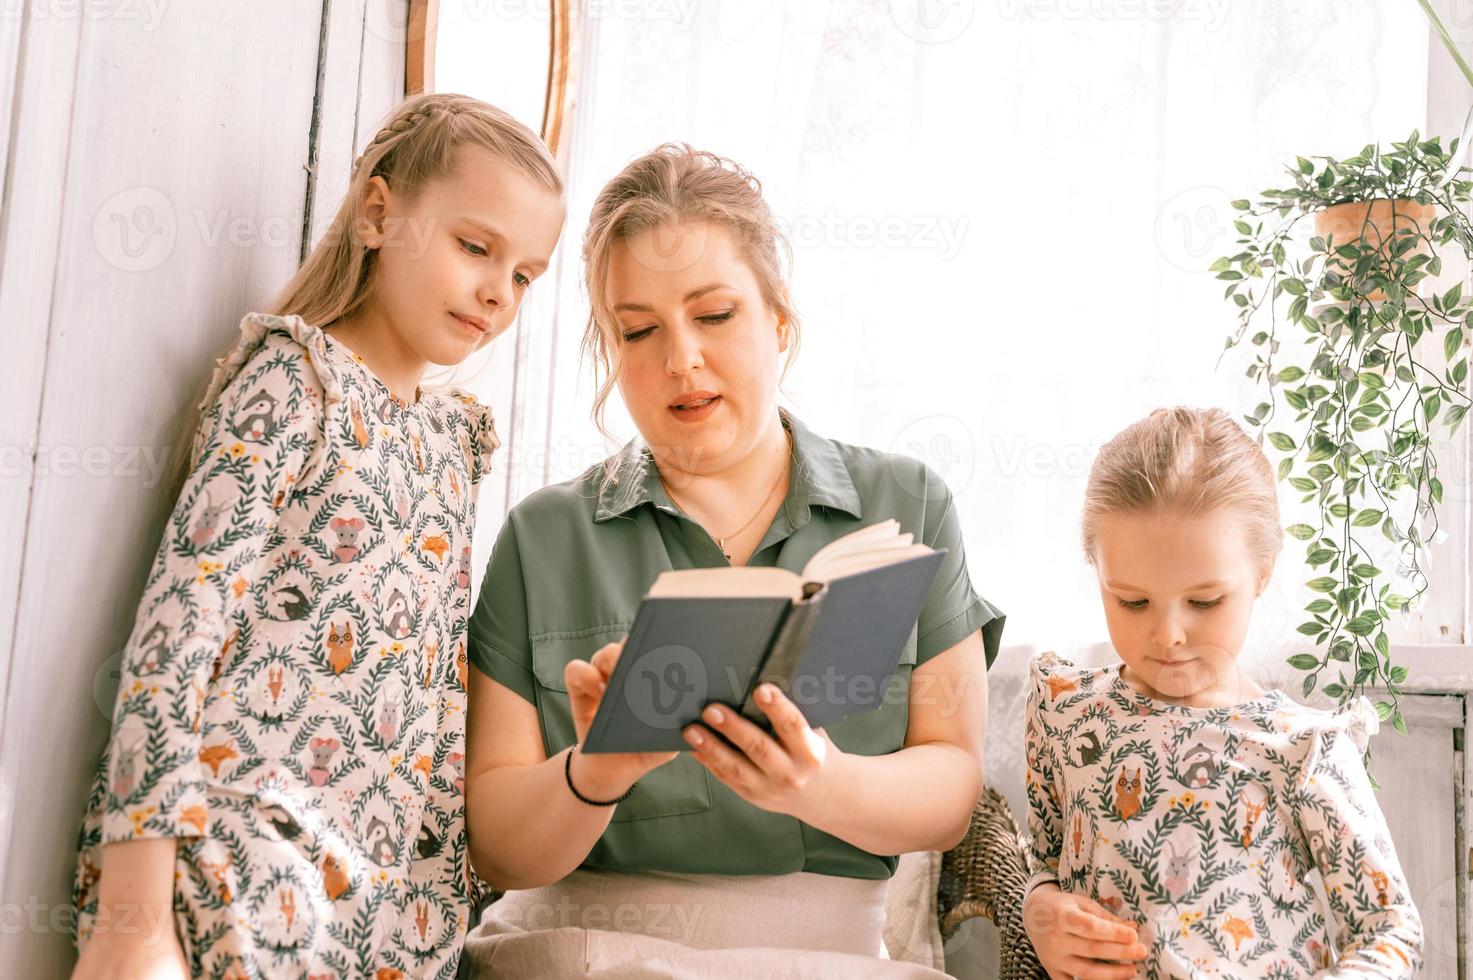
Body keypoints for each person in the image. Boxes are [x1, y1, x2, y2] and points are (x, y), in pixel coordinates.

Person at [461, 143, 1004, 977]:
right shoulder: (543, 536)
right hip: (578, 953)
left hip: (822, 959)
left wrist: (818, 784)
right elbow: (498, 847)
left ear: (778, 321)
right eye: (637, 330)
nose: (680, 359)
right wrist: (593, 772)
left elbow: (952, 792)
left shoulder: (909, 502)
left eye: (713, 316)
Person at [70, 92, 565, 978]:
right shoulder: (297, 383)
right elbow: (175, 632)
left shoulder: (454, 444)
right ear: (379, 213)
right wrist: (131, 916)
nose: (499, 290)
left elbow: (435, 691)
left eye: (525, 274)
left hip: (380, 913)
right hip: (233, 871)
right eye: (475, 247)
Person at [1022, 406, 1423, 979]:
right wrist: (1041, 912)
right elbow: (1043, 857)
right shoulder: (1065, 712)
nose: (1168, 635)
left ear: (1262, 571)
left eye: (1205, 602)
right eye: (1132, 601)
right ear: (1096, 568)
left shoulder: (1302, 749)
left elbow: (1391, 930)